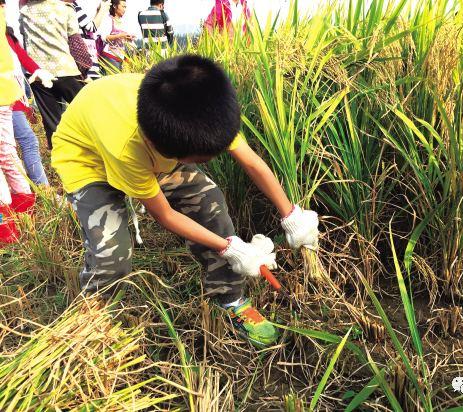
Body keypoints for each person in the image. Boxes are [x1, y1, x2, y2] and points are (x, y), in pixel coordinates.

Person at [51, 55, 319, 346]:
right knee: (111, 257)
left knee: (209, 202)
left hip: (141, 144)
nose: (205, 162)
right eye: (199, 160)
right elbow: (165, 215)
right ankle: (93, 321)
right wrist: (232, 248)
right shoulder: (128, 147)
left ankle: (230, 300)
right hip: (89, 161)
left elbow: (251, 162)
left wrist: (290, 213)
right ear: (163, 149)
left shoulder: (199, 109)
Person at [19, 0, 85, 149]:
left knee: (53, 124)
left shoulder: (25, 12)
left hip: (38, 74)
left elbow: (23, 35)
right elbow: (76, 42)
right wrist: (84, 70)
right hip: (66, 70)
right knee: (87, 113)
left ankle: (62, 165)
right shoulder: (66, 8)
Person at [0, 6, 35, 244]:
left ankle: (7, 227)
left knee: (5, 155)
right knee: (7, 155)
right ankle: (23, 219)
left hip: (3, 93)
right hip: (5, 93)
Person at [4, 25, 51, 186]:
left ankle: (39, 189)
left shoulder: (8, 36)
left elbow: (23, 57)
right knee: (23, 142)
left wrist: (38, 71)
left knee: (24, 142)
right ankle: (39, 189)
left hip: (13, 97)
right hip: (6, 98)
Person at [73, 0, 112, 81]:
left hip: (86, 61)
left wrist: (98, 11)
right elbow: (92, 27)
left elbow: (88, 29)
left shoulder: (72, 6)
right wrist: (103, 9)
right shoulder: (73, 7)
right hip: (85, 62)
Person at [98, 0, 134, 71]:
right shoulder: (108, 19)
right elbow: (104, 37)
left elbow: (124, 38)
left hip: (121, 57)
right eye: (123, 6)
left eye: (125, 7)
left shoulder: (123, 22)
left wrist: (129, 38)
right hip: (110, 55)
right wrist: (119, 36)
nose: (124, 9)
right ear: (114, 6)